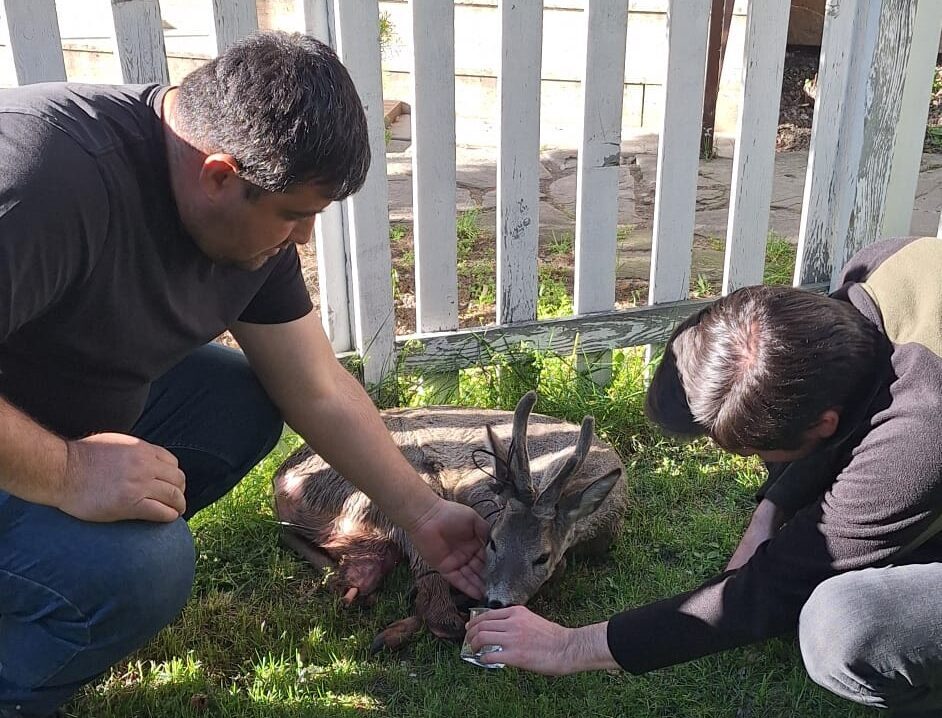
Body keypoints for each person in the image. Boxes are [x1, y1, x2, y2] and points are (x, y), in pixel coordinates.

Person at [0, 31, 487, 718]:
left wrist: (423, 514)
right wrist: (69, 472)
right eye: (295, 217)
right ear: (220, 176)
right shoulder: (41, 179)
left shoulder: (243, 216)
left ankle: (46, 565)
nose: (304, 239)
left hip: (37, 414)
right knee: (144, 568)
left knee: (238, 401)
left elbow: (315, 386)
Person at [466, 236, 942, 716]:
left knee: (844, 626)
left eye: (754, 452)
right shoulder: (881, 270)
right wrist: (768, 515)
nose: (752, 460)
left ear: (823, 425)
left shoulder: (916, 444)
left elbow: (771, 590)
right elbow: (857, 399)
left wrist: (569, 647)